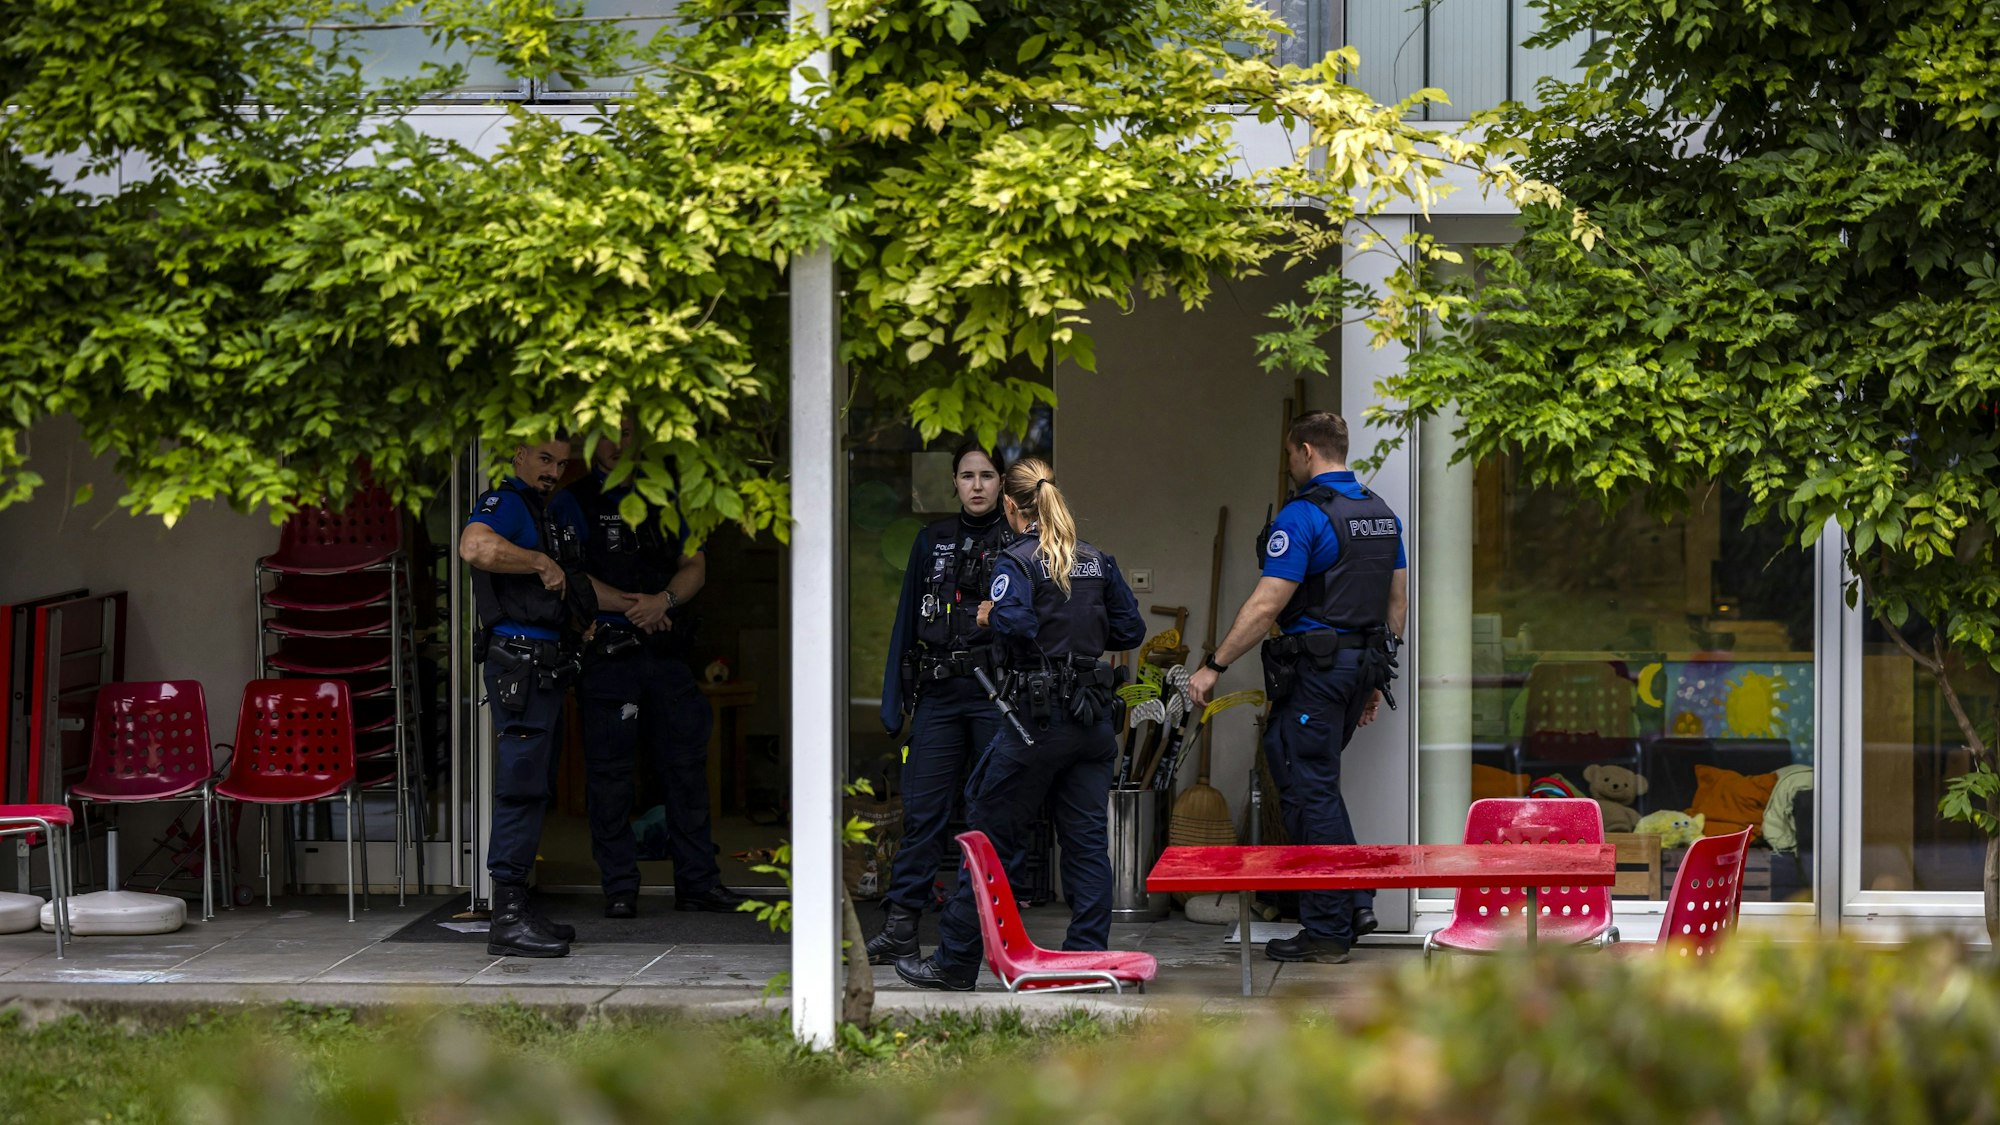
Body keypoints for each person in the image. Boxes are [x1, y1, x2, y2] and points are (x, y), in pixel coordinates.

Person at [896, 458, 1145, 991]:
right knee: (1084, 843)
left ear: (1010, 505)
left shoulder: (1019, 559)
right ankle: (1086, 963)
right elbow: (1129, 628)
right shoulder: (1096, 561)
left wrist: (988, 617)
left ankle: (954, 962)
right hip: (1092, 723)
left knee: (990, 837)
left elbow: (1017, 622)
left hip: (1037, 721)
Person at [1188, 410, 1407, 964]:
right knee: (1310, 781)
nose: (1288, 465)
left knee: (1308, 789)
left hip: (1318, 673)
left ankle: (1329, 929)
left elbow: (1267, 604)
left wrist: (1214, 664)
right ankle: (1354, 898)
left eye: (1289, 455)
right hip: (1357, 670)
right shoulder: (1381, 515)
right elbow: (1396, 605)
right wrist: (1375, 679)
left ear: (1306, 451)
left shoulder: (1304, 515)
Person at [570, 420, 745, 918]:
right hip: (606, 655)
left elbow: (696, 563)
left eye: (625, 433)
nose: (616, 444)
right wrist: (637, 607)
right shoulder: (574, 499)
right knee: (610, 777)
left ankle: (698, 883)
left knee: (687, 772)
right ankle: (620, 887)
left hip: (666, 652)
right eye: (604, 434)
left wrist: (663, 601)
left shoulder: (669, 496)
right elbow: (569, 574)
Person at [865, 442, 1015, 965]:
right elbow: (907, 619)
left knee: (988, 815)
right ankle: (902, 924)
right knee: (923, 813)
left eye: (987, 476)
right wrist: (892, 703)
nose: (977, 485)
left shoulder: (1019, 542)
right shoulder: (931, 541)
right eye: (967, 475)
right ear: (953, 482)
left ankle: (980, 932)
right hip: (938, 696)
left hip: (995, 697)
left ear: (1002, 483)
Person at [460, 437, 595, 958]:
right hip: (520, 661)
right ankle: (508, 916)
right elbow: (475, 546)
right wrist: (538, 561)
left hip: (545, 664)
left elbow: (572, 583)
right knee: (519, 786)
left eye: (561, 464)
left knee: (535, 786)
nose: (554, 471)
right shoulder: (506, 503)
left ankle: (520, 906)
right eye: (545, 459)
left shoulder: (546, 510)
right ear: (518, 455)